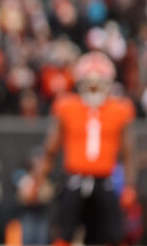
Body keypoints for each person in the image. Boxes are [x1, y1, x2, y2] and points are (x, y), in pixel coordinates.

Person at [40, 51, 137, 246]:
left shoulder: (121, 108)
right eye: (90, 83)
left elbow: (129, 154)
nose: (94, 89)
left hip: (105, 182)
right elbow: (50, 149)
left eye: (98, 83)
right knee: (61, 235)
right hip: (74, 180)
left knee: (111, 236)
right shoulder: (67, 105)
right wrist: (38, 180)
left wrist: (129, 187)